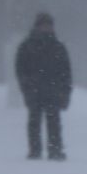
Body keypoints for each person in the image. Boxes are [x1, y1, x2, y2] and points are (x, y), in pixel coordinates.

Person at [15, 12, 73, 160]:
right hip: (34, 90)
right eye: (44, 25)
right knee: (34, 121)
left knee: (54, 122)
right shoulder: (27, 46)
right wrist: (26, 86)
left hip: (53, 91)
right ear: (37, 26)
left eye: (49, 25)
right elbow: (20, 69)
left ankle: (55, 150)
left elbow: (66, 72)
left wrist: (65, 92)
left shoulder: (58, 47)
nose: (47, 28)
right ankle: (35, 150)